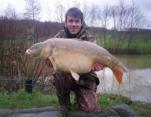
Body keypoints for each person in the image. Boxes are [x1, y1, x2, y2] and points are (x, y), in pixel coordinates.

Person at [52, 7, 103, 113]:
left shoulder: (89, 38)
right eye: (70, 21)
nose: (74, 24)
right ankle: (64, 104)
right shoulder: (58, 38)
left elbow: (95, 62)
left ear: (81, 23)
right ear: (65, 23)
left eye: (77, 21)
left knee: (92, 109)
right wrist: (49, 60)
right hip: (66, 75)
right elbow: (51, 62)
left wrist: (96, 65)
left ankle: (79, 99)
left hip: (86, 77)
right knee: (58, 73)